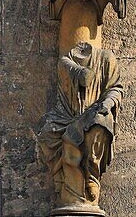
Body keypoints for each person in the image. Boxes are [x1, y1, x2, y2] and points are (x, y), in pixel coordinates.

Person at [37, 41, 123, 205]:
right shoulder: (65, 61)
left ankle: (91, 175)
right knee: (47, 134)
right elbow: (84, 77)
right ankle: (61, 180)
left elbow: (115, 88)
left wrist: (107, 103)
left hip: (94, 111)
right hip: (67, 114)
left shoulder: (106, 59)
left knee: (98, 125)